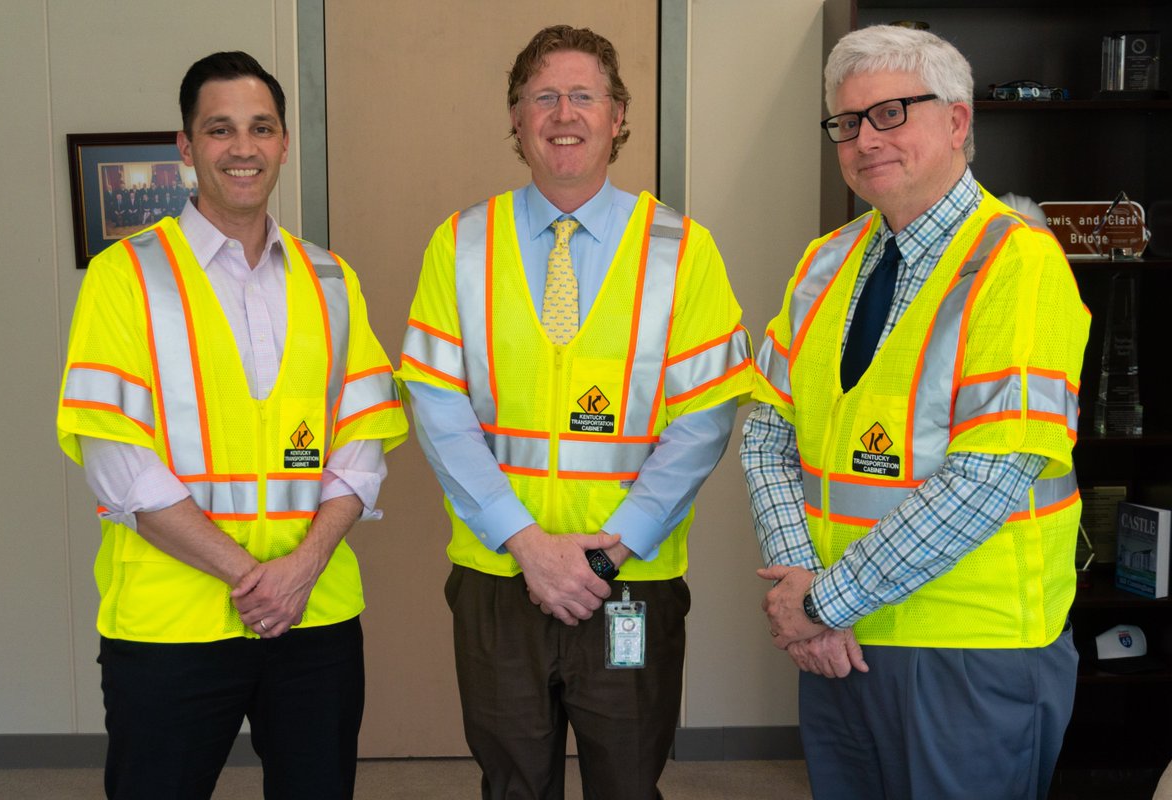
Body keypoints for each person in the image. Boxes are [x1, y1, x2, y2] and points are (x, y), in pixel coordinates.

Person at [397, 24, 752, 800]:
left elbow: (705, 423)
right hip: (499, 573)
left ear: (618, 115)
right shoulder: (459, 244)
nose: (565, 113)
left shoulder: (684, 250)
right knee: (512, 785)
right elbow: (437, 410)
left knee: (628, 786)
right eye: (543, 97)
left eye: (583, 96)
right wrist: (525, 543)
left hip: (628, 577)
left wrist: (608, 552)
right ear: (517, 119)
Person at [741, 24, 1089, 800]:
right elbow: (767, 432)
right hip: (841, 644)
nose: (866, 139)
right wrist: (802, 582)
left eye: (892, 112)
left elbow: (986, 481)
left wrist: (820, 603)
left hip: (968, 650)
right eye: (848, 122)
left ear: (958, 121)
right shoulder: (823, 260)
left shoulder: (1019, 264)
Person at [56, 51, 408, 799]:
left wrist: (300, 570)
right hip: (171, 627)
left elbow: (363, 444)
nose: (242, 148)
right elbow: (121, 466)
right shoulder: (126, 277)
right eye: (220, 130)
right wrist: (255, 580)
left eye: (261, 128)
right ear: (186, 147)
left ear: (283, 142)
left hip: (314, 620)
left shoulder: (333, 280)